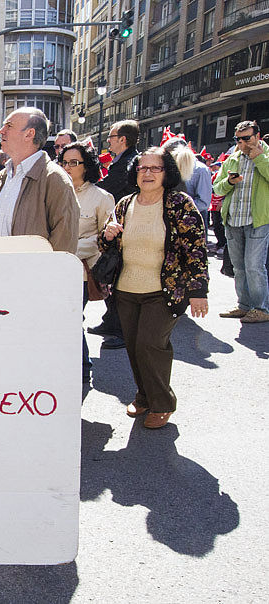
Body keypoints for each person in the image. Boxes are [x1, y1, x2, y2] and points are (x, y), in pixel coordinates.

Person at [99, 147, 208, 429]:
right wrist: (107, 234)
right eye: (142, 168)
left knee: (150, 345)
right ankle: (144, 396)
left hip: (164, 291)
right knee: (135, 347)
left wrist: (198, 292)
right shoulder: (125, 203)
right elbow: (107, 245)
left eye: (154, 168)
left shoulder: (179, 203)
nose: (147, 173)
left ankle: (162, 403)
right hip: (126, 290)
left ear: (166, 172)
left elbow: (195, 248)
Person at [0, 107, 79, 253]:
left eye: (9, 125)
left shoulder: (54, 179)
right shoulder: (2, 177)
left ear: (29, 134)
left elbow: (64, 243)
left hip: (29, 274)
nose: (1, 130)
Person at [58, 141, 115, 384]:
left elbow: (105, 237)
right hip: (54, 269)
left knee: (72, 318)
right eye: (64, 162)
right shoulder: (55, 191)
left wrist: (68, 249)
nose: (68, 167)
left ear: (86, 165)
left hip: (82, 271)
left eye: (74, 163)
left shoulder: (101, 197)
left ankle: (82, 368)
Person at [90, 119, 140, 350]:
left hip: (125, 228)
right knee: (110, 276)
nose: (108, 141)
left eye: (111, 137)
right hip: (115, 227)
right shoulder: (121, 161)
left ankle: (121, 329)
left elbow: (108, 188)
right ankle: (110, 322)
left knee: (119, 279)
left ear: (122, 139)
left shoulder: (129, 163)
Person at [213, 120, 269, 323]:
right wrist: (229, 182)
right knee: (239, 267)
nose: (242, 143)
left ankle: (261, 308)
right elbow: (217, 188)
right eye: (238, 139)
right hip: (233, 220)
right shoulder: (232, 159)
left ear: (257, 137)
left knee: (254, 266)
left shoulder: (267, 155)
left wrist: (260, 159)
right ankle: (244, 306)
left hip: (258, 220)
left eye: (246, 138)